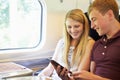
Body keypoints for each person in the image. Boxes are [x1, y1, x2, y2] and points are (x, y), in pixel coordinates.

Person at [69, 0, 120, 80]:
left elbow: (92, 77)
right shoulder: (97, 45)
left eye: (94, 19)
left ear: (109, 15)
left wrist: (93, 78)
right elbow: (92, 76)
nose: (92, 26)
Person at [38, 9, 95, 80]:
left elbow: (80, 75)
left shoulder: (89, 43)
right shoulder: (62, 42)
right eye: (69, 27)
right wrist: (39, 77)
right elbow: (50, 68)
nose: (73, 30)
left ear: (84, 25)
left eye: (76, 26)